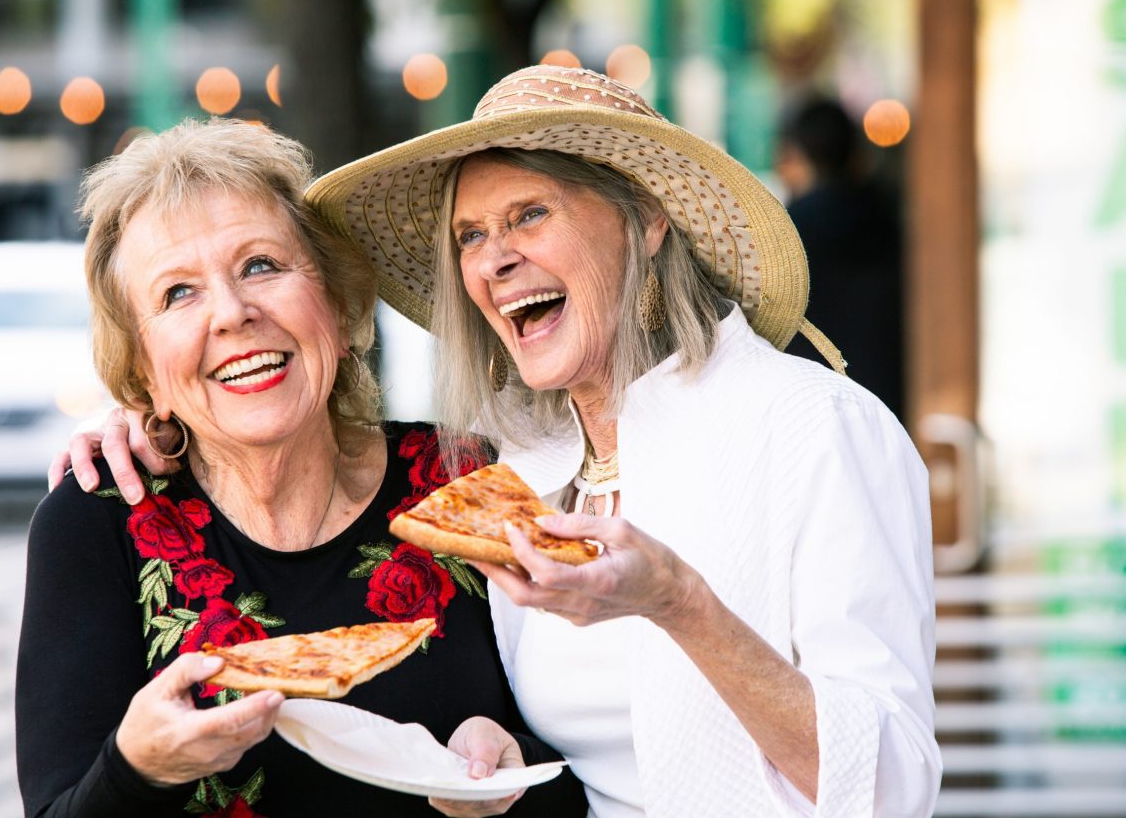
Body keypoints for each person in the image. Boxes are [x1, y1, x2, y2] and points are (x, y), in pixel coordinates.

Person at [62, 67, 941, 817]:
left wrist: (678, 601)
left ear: (646, 220)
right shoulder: (513, 464)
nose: (494, 260)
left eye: (529, 215)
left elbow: (895, 787)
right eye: (470, 237)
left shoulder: (812, 428)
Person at [17, 118, 586, 818]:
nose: (232, 313)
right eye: (178, 293)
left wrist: (511, 768)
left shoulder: (470, 482)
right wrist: (134, 769)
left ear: (342, 308)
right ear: (143, 371)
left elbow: (597, 769)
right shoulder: (99, 522)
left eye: (261, 265)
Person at [775, 96, 907, 421]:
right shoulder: (887, 216)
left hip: (818, 409)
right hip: (893, 401)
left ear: (796, 157)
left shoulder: (789, 233)